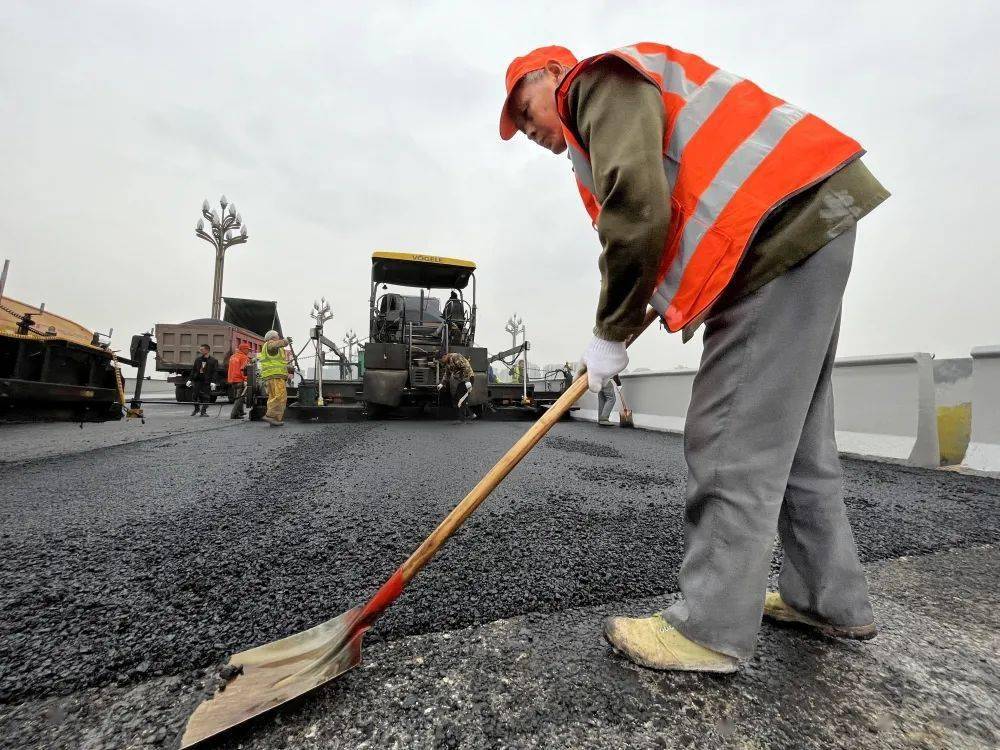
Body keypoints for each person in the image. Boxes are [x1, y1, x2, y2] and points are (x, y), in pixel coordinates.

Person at [500, 44, 888, 673]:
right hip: (812, 215)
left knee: (727, 436)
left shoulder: (594, 85)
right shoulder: (626, 93)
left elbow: (637, 209)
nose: (528, 128)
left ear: (553, 75)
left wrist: (611, 331)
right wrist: (643, 306)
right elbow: (674, 212)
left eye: (525, 106)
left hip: (773, 238)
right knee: (800, 446)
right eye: (518, 124)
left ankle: (708, 628)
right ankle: (828, 598)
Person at [259, 330, 292, 427]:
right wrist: (285, 341)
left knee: (273, 397)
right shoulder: (270, 344)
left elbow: (276, 362)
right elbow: (274, 346)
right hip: (275, 376)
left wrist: (287, 368)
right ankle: (270, 416)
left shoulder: (269, 347)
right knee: (280, 396)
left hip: (271, 376)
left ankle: (275, 419)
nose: (279, 337)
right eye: (278, 336)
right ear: (273, 337)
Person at [437, 351, 476, 422]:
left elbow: (465, 367)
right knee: (457, 397)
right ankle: (471, 414)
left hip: (468, 378)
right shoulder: (447, 362)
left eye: (441, 359)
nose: (441, 361)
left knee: (461, 397)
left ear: (444, 356)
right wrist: (442, 383)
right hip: (462, 380)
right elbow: (447, 374)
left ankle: (462, 419)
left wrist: (467, 381)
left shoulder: (455, 357)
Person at [187, 344, 218, 417]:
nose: (200, 351)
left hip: (207, 381)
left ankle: (203, 412)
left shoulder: (213, 361)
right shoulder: (198, 360)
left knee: (206, 397)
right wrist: (190, 379)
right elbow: (194, 370)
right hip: (198, 380)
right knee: (194, 395)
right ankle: (196, 408)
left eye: (202, 349)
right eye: (200, 349)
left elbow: (215, 372)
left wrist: (213, 382)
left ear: (207, 350)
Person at [227, 342, 252, 420]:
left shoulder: (232, 357)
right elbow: (243, 370)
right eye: (248, 350)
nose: (249, 351)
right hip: (240, 380)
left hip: (232, 380)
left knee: (237, 396)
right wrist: (245, 380)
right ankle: (233, 414)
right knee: (240, 398)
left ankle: (240, 412)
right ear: (243, 349)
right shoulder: (244, 358)